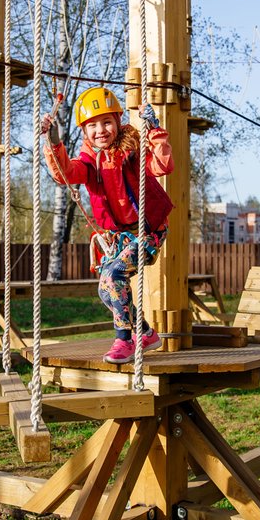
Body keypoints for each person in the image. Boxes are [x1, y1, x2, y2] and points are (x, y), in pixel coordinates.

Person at [41, 86, 173, 364]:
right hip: (120, 237)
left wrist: (154, 131)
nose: (100, 130)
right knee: (106, 289)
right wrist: (53, 142)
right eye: (92, 126)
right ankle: (145, 332)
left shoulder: (132, 149)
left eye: (106, 122)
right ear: (84, 132)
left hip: (148, 232)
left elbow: (162, 166)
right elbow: (66, 173)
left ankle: (123, 340)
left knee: (114, 275)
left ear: (117, 122)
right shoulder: (89, 162)